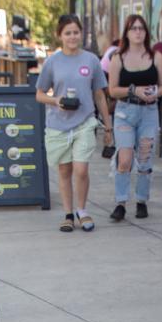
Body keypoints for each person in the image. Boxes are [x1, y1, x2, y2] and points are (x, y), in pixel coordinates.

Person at [36, 15, 112, 233]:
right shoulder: (52, 62)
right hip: (58, 124)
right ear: (59, 35)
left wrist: (108, 126)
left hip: (85, 122)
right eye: (67, 33)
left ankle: (82, 210)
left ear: (81, 34)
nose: (72, 37)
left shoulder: (91, 61)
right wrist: (55, 101)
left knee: (81, 169)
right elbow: (39, 95)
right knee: (64, 170)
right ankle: (68, 213)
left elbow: (99, 95)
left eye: (75, 32)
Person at [107, 15, 162, 221]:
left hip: (149, 112)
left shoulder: (156, 56)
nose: (138, 32)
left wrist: (154, 93)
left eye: (141, 28)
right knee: (124, 159)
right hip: (125, 112)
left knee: (145, 158)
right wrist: (134, 90)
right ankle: (120, 202)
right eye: (133, 28)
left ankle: (141, 200)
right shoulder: (118, 57)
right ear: (127, 32)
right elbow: (112, 90)